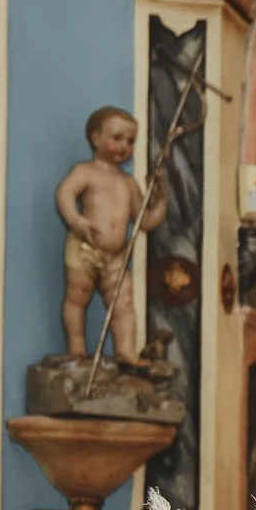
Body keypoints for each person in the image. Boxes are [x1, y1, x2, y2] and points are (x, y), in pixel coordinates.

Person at [54, 106, 166, 361]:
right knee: (77, 297)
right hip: (85, 248)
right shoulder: (86, 171)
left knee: (123, 304)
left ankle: (125, 350)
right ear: (96, 138)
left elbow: (145, 222)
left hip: (116, 257)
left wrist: (161, 203)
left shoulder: (128, 183)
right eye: (116, 138)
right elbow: (64, 193)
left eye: (130, 141)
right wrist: (76, 220)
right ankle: (77, 345)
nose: (124, 146)